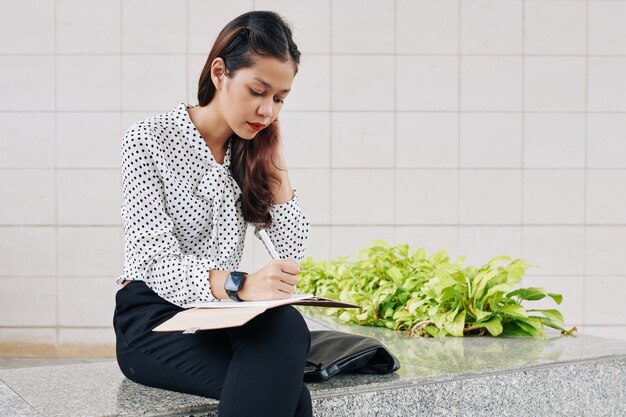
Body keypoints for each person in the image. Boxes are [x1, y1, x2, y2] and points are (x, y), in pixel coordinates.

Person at [112, 11, 312, 417]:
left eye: (279, 99)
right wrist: (241, 284)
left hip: (215, 316)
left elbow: (291, 249)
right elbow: (155, 262)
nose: (268, 110)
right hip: (152, 320)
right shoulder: (148, 140)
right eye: (257, 91)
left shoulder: (251, 149)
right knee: (293, 397)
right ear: (220, 72)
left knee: (287, 324)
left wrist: (276, 164)